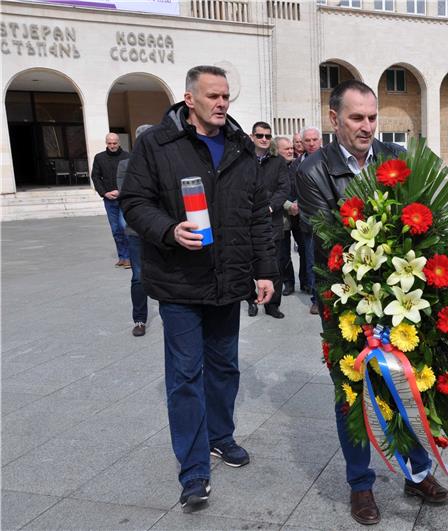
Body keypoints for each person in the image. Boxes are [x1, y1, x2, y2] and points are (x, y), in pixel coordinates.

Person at [296, 80, 448, 526]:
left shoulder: (396, 159)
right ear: (334, 120)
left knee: (409, 384)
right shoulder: (312, 171)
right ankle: (360, 485)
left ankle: (416, 471)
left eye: (371, 117)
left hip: (403, 297)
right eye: (356, 118)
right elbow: (330, 238)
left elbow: (424, 219)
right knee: (353, 392)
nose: (367, 127)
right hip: (346, 302)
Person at [120, 65, 277, 511]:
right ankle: (192, 469)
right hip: (179, 282)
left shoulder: (241, 148)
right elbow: (134, 202)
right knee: (186, 374)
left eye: (226, 95)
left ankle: (220, 436)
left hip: (228, 282)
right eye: (212, 96)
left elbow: (256, 217)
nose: (222, 103)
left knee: (225, 367)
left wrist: (266, 272)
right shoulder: (157, 143)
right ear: (190, 99)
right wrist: (169, 231)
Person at [245, 122, 290, 319]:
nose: (264, 139)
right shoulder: (243, 161)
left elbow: (284, 189)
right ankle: (251, 300)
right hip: (248, 221)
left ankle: (273, 305)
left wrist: (270, 207)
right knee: (247, 265)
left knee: (275, 264)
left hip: (272, 221)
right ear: (252, 136)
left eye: (267, 136)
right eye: (260, 135)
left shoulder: (278, 161)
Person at [116, 124, 153, 336]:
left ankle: (169, 314)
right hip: (137, 231)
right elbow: (128, 197)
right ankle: (139, 319)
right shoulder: (125, 165)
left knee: (166, 275)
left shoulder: (164, 164)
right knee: (138, 276)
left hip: (162, 231)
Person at [290, 126, 322, 313]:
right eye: (307, 141)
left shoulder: (329, 160)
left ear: (320, 140)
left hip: (328, 219)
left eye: (314, 140)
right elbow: (292, 190)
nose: (311, 144)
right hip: (308, 222)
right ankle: (316, 299)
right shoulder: (297, 164)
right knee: (312, 261)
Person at [274, 136, 309, 298]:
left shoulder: (297, 165)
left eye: (291, 148)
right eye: (286, 149)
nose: (291, 151)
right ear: (277, 150)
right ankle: (288, 283)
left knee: (304, 250)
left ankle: (305, 282)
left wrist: (299, 203)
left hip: (300, 215)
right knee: (283, 252)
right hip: (283, 218)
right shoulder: (272, 167)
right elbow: (273, 192)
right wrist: (289, 205)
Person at [91, 132, 130, 268]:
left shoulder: (127, 157)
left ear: (119, 142)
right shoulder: (99, 158)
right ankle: (122, 256)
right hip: (109, 199)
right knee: (116, 230)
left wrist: (121, 191)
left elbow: (132, 177)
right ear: (106, 143)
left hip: (124, 199)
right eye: (109, 143)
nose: (112, 145)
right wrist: (105, 193)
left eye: (114, 143)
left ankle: (130, 257)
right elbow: (96, 177)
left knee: (125, 226)